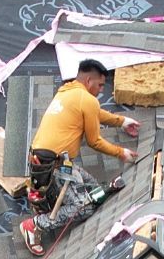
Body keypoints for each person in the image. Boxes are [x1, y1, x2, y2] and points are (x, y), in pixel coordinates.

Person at [25, 61, 139, 214]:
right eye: (100, 85)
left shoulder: (66, 92)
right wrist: (121, 153)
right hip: (54, 165)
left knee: (95, 190)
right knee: (85, 208)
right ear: (88, 81)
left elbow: (95, 113)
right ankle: (35, 224)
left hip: (43, 161)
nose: (101, 90)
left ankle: (52, 200)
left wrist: (122, 121)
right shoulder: (87, 99)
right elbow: (94, 142)